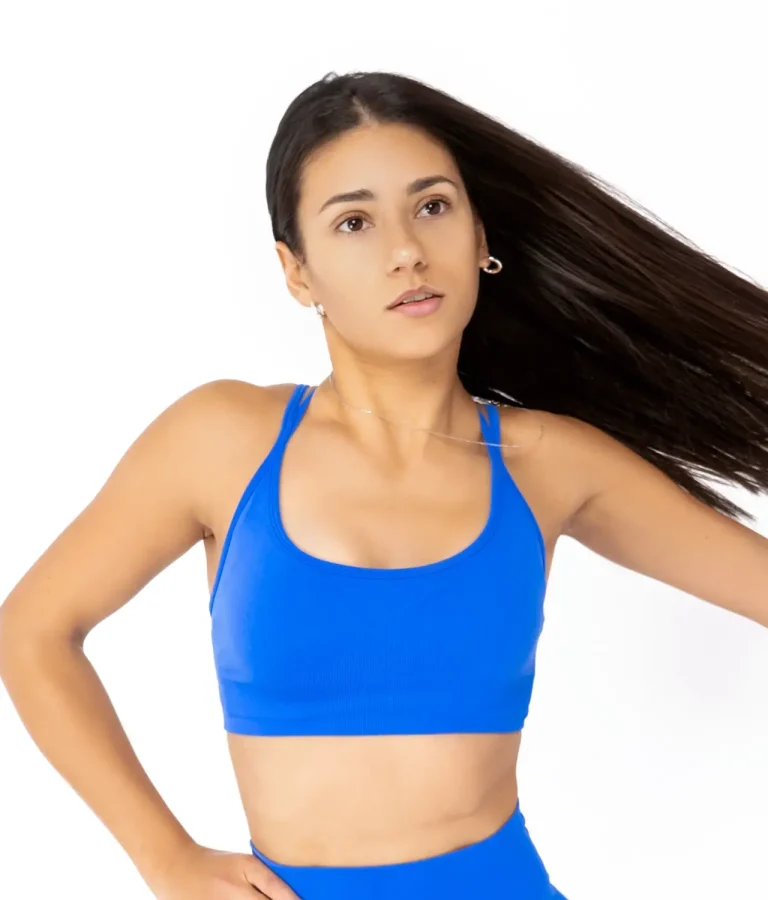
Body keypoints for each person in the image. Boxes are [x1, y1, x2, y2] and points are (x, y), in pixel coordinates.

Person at [2, 70, 768, 900]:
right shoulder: (222, 442)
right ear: (297, 272)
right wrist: (166, 858)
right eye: (354, 222)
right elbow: (31, 632)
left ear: (480, 236)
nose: (406, 250)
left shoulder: (551, 464)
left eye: (433, 206)